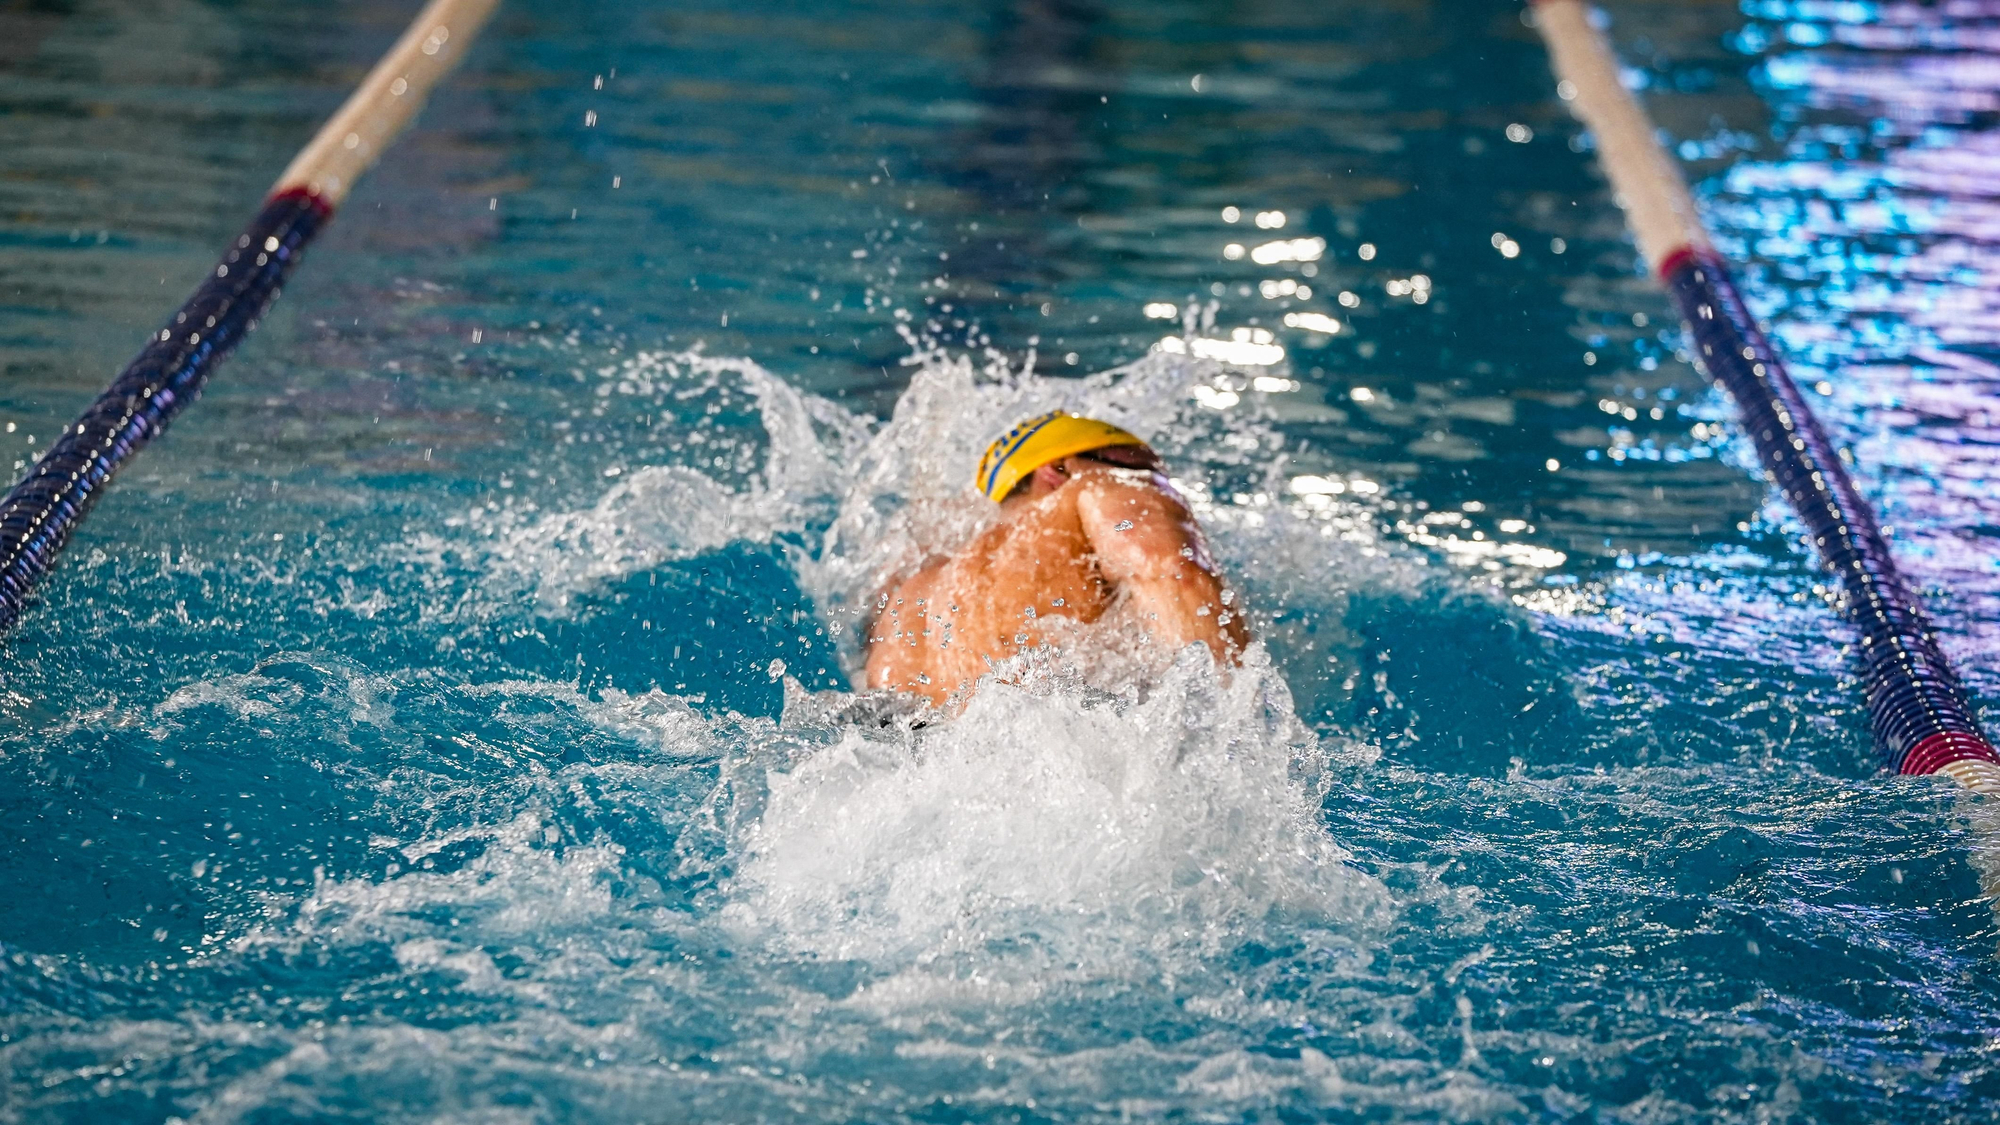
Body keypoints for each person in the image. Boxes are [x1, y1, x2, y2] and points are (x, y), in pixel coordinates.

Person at [863, 412, 1248, 706]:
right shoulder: (1095, 487)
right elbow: (1170, 568)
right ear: (1059, 470)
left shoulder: (916, 595)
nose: (1153, 483)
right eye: (1129, 465)